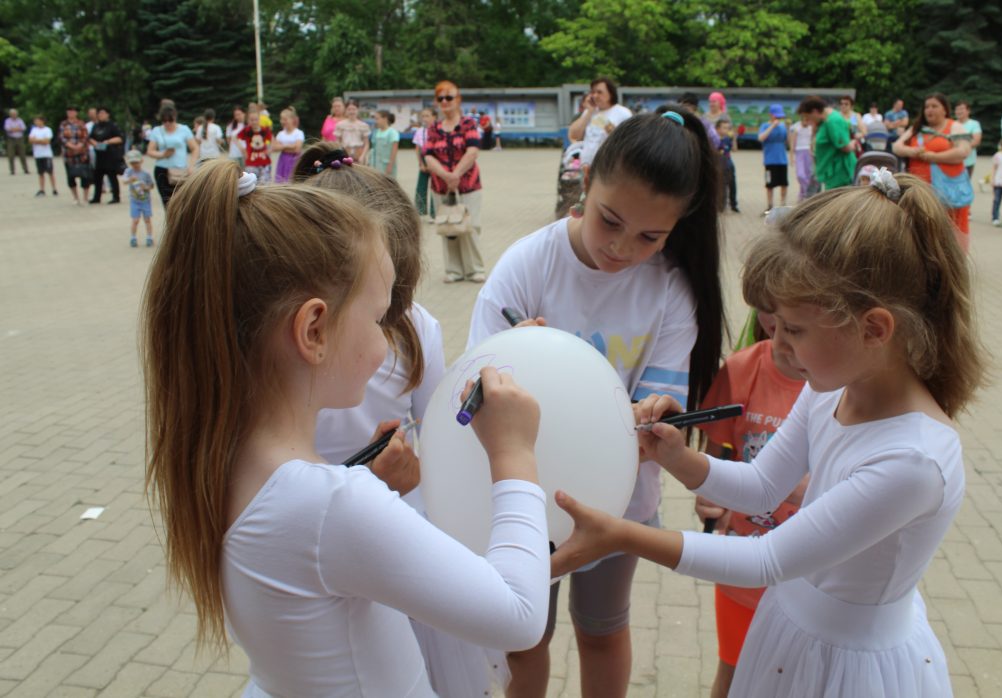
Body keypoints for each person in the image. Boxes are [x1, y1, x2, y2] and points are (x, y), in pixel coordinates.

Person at [551, 169, 985, 698]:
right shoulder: (832, 386)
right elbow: (761, 486)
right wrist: (675, 456)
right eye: (771, 327)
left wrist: (620, 534)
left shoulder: (914, 461)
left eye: (794, 331)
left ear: (874, 328)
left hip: (848, 664)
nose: (777, 348)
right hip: (792, 625)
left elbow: (766, 558)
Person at [142, 159, 551, 697]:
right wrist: (515, 455)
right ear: (314, 330)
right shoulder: (332, 505)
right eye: (378, 316)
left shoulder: (222, 456)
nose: (388, 341)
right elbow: (518, 616)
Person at [468, 109, 725, 698]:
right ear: (584, 184)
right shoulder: (526, 265)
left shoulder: (671, 289)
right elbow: (471, 395)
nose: (622, 247)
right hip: (525, 497)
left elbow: (659, 406)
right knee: (523, 635)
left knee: (604, 630)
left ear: (676, 227)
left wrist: (655, 414)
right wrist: (515, 357)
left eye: (650, 237)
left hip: (619, 506)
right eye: (610, 221)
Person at [293, 142, 509, 697]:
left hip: (397, 528)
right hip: (321, 538)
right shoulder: (285, 348)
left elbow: (438, 431)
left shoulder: (418, 329)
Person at [694, 312, 806, 698]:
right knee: (734, 675)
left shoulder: (843, 385)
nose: (780, 323)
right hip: (743, 572)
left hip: (807, 577)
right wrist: (713, 501)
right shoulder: (742, 369)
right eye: (769, 308)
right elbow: (717, 460)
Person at [423, 80, 487, 284]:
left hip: (469, 185)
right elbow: (428, 156)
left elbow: (473, 150)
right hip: (440, 187)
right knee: (448, 227)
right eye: (440, 98)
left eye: (449, 97)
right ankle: (453, 270)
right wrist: (445, 176)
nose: (445, 101)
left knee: (471, 225)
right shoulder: (433, 128)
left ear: (458, 100)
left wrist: (456, 174)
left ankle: (475, 269)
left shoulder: (468, 124)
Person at [893, 93, 972, 251]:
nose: (929, 110)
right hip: (920, 191)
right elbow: (897, 146)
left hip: (949, 192)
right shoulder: (917, 128)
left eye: (934, 106)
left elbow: (963, 152)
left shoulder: (954, 126)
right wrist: (913, 151)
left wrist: (933, 156)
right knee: (921, 231)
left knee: (951, 232)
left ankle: (953, 267)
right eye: (927, 106)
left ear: (945, 110)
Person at [568, 77, 633, 167]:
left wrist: (605, 123)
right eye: (593, 92)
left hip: (608, 166)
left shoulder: (623, 113)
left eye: (599, 92)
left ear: (610, 93)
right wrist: (589, 112)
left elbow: (628, 141)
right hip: (587, 165)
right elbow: (575, 136)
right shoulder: (589, 112)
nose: (595, 96)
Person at [797, 96, 856, 191]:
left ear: (815, 111)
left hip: (838, 174)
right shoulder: (824, 120)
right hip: (831, 174)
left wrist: (853, 143)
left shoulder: (833, 121)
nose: (808, 121)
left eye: (808, 117)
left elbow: (845, 146)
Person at [146, 103, 198, 207]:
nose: (167, 123)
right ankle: (171, 222)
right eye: (164, 121)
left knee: (182, 201)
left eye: (170, 120)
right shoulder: (157, 131)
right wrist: (163, 154)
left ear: (174, 118)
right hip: (162, 169)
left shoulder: (184, 129)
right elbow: (150, 151)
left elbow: (195, 148)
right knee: (167, 203)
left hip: (180, 170)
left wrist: (191, 165)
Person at [88, 107, 124, 204]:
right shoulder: (95, 126)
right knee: (97, 177)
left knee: (112, 176)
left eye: (103, 113)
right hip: (99, 155)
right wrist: (94, 143)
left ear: (108, 114)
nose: (101, 115)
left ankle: (116, 196)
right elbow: (90, 138)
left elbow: (120, 138)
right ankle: (97, 197)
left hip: (110, 155)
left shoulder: (112, 126)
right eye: (99, 113)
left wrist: (108, 142)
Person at [758, 104, 789, 213]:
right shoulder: (765, 126)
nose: (778, 119)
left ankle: (783, 204)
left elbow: (787, 141)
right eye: (776, 116)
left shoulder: (783, 126)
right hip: (769, 160)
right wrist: (772, 127)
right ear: (771, 115)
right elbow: (761, 138)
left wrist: (788, 128)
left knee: (784, 183)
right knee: (769, 184)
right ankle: (770, 205)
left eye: (780, 117)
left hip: (782, 160)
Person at [59, 106, 92, 205]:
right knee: (70, 176)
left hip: (82, 154)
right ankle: (75, 197)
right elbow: (61, 137)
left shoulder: (81, 124)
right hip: (69, 154)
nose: (71, 113)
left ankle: (85, 197)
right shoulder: (63, 124)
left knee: (85, 175)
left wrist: (80, 146)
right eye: (69, 111)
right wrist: (71, 146)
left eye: (73, 111)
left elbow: (85, 136)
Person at [121, 149, 154, 247]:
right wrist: (129, 180)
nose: (135, 164)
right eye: (132, 163)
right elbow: (124, 181)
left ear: (141, 161)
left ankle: (149, 237)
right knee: (135, 220)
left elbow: (151, 185)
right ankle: (133, 237)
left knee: (147, 219)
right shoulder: (128, 171)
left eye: (136, 162)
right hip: (134, 200)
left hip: (145, 200)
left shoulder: (146, 173)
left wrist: (146, 187)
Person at [412, 107, 437, 218]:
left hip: (436, 162)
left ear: (434, 117)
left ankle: (434, 213)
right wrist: (421, 163)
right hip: (423, 161)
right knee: (421, 187)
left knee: (435, 187)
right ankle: (420, 211)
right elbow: (417, 149)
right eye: (423, 116)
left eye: (427, 116)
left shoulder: (438, 130)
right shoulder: (420, 131)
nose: (425, 118)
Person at [239, 108, 273, 184]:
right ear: (248, 120)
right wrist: (243, 150)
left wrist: (270, 149)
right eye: (251, 120)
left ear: (259, 119)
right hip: (251, 163)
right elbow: (236, 138)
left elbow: (272, 139)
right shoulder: (246, 131)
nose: (254, 122)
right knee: (253, 184)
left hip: (264, 162)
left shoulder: (265, 130)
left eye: (256, 119)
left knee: (265, 184)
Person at [789, 112, 816, 201]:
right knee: (800, 175)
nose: (807, 122)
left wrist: (812, 153)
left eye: (808, 120)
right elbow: (792, 143)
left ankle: (802, 194)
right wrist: (791, 157)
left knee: (808, 174)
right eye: (805, 120)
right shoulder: (797, 128)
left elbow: (812, 141)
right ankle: (806, 192)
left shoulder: (811, 128)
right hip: (799, 152)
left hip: (808, 152)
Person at [272, 106, 304, 183]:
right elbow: (274, 148)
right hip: (283, 160)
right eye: (281, 119)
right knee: (281, 182)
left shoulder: (298, 133)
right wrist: (290, 146)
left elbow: (297, 149)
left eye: (285, 119)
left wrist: (282, 146)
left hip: (294, 160)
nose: (282, 121)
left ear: (292, 120)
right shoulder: (281, 133)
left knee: (293, 181)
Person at [28, 115, 57, 197]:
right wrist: (41, 140)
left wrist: (36, 140)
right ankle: (42, 189)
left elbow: (47, 141)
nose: (36, 122)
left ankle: (54, 188)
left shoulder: (47, 130)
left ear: (42, 121)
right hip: (38, 154)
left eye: (37, 120)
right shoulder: (34, 130)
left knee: (50, 172)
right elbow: (30, 140)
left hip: (46, 154)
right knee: (40, 173)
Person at [333, 98, 370, 163]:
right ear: (346, 110)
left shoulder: (364, 125)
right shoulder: (340, 125)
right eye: (349, 109)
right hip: (345, 155)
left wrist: (363, 156)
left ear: (358, 110)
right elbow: (337, 142)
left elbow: (366, 144)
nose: (351, 111)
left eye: (354, 109)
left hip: (359, 156)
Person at [716, 118, 739, 213]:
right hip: (719, 165)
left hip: (729, 165)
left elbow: (734, 149)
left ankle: (733, 204)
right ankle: (721, 205)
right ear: (717, 129)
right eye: (724, 128)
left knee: (732, 185)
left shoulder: (727, 139)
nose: (727, 130)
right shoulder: (715, 139)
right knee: (722, 186)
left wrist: (734, 139)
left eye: (728, 128)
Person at [954, 101, 982, 179]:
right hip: (952, 160)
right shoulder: (952, 124)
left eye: (962, 109)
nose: (959, 111)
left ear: (968, 111)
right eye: (957, 109)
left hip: (968, 161)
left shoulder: (974, 124)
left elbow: (976, 141)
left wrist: (961, 148)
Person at [368, 109, 399, 178]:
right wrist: (369, 161)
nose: (375, 121)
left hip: (386, 166)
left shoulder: (392, 132)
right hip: (374, 165)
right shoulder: (375, 132)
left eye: (377, 119)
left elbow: (394, 151)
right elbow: (373, 149)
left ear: (385, 119)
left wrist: (390, 165)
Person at [5, 108, 30, 175]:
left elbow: (23, 128)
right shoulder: (7, 121)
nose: (14, 115)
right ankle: (12, 170)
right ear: (10, 114)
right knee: (11, 155)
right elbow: (7, 129)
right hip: (11, 139)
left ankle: (25, 169)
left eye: (15, 114)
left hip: (20, 138)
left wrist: (13, 129)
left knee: (22, 154)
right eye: (12, 114)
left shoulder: (20, 120)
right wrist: (18, 129)